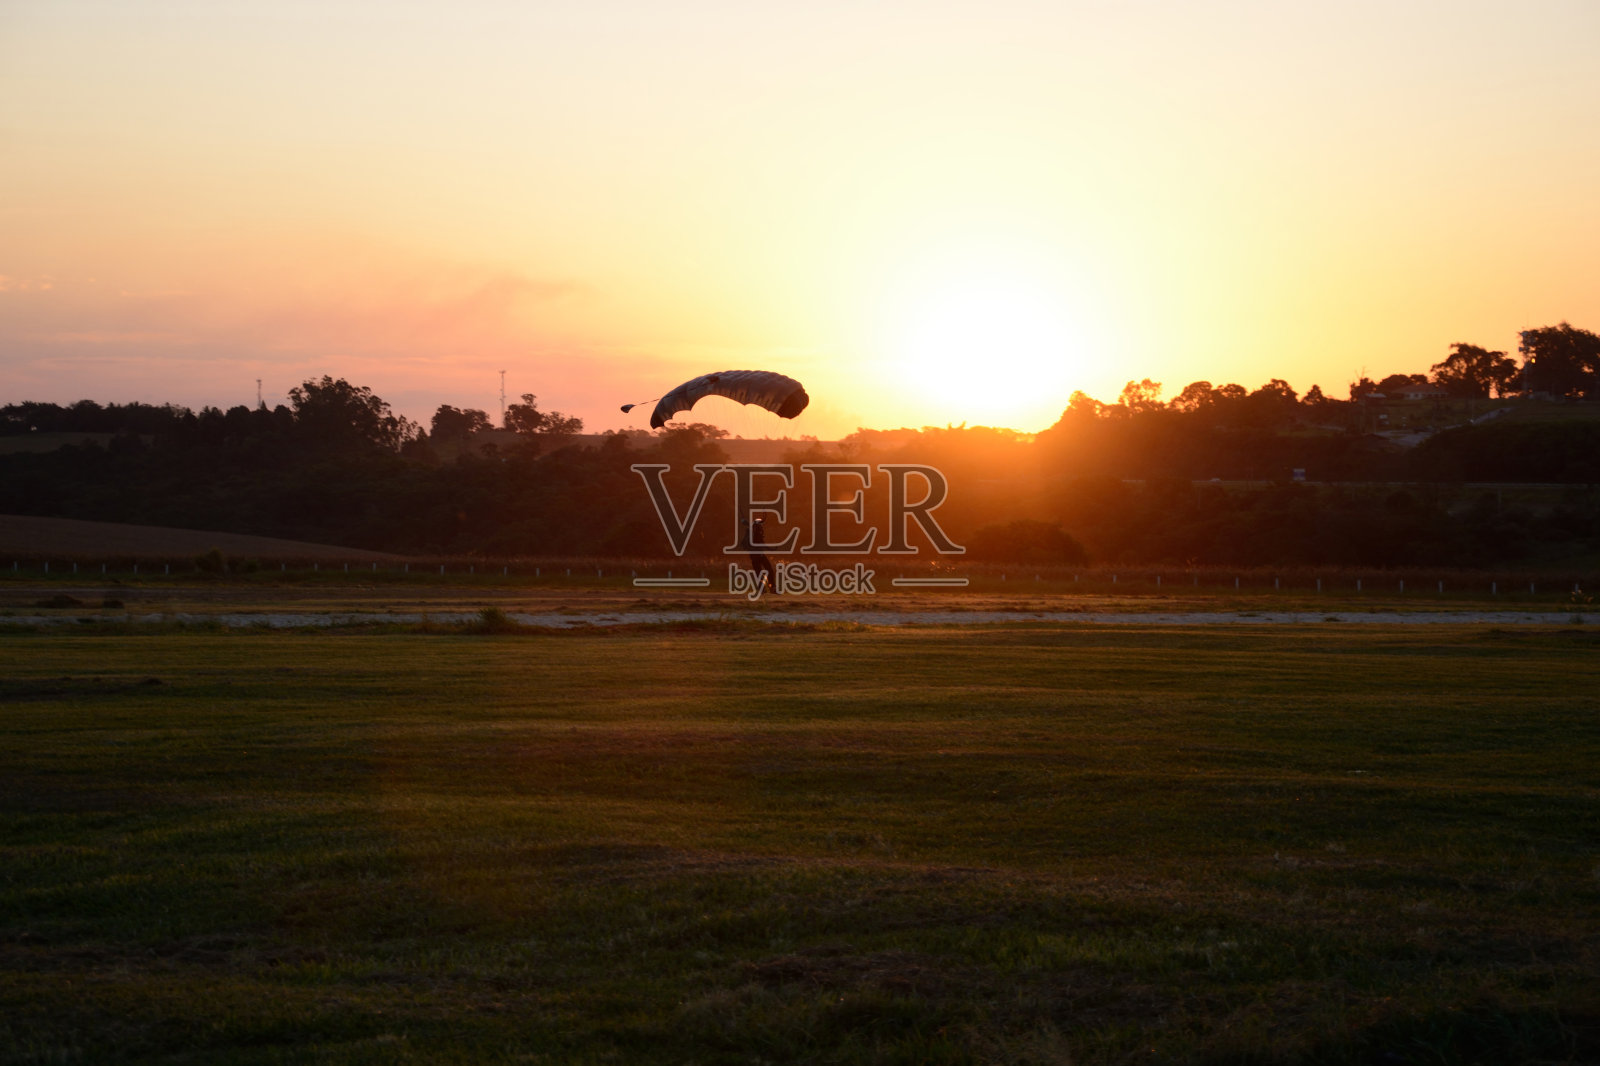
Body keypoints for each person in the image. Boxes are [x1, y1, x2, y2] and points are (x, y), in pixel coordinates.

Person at [741, 517, 776, 596]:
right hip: (757, 555)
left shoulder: (753, 531)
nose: (762, 526)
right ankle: (770, 588)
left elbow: (762, 543)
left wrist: (770, 549)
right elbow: (759, 543)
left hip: (756, 555)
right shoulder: (754, 531)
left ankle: (765, 588)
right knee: (768, 570)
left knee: (761, 571)